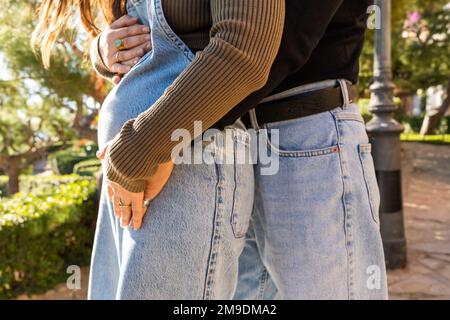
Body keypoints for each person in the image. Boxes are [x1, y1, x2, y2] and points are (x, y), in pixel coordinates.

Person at [34, 0, 388, 299]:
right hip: (212, 138)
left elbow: (254, 47)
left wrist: (155, 142)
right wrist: (103, 50)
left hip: (299, 133)